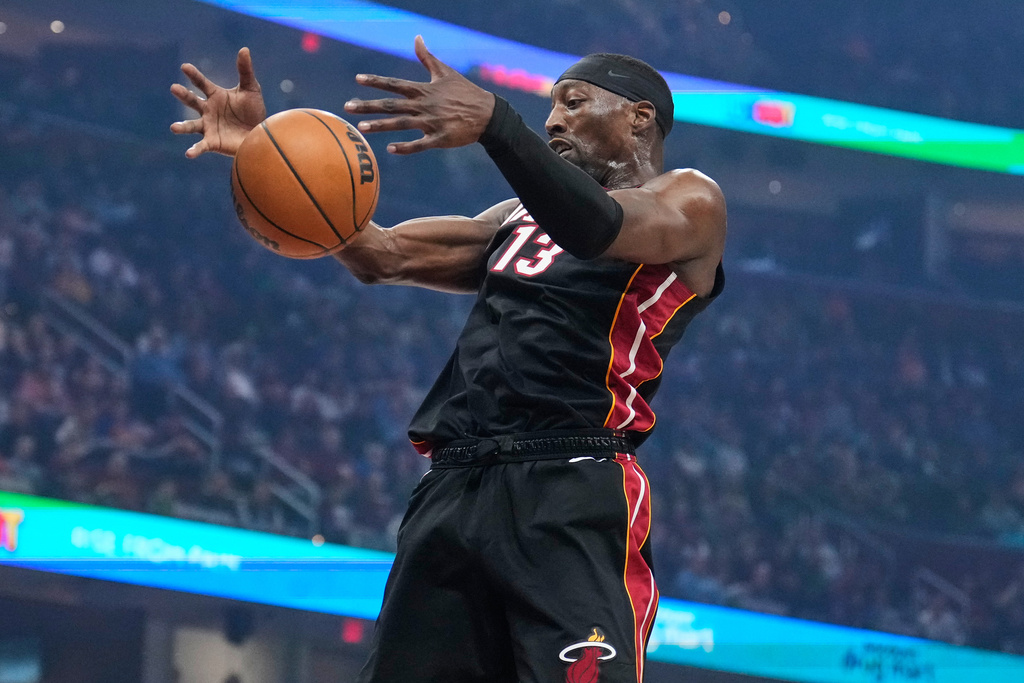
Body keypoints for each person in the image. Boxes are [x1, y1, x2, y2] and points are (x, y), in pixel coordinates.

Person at [171, 36, 725, 683]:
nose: (553, 120)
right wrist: (267, 152)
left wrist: (494, 121)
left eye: (573, 102)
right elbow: (383, 254)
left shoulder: (691, 200)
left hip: (571, 481)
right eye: (548, 107)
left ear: (639, 117)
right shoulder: (518, 217)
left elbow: (595, 225)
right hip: (454, 484)